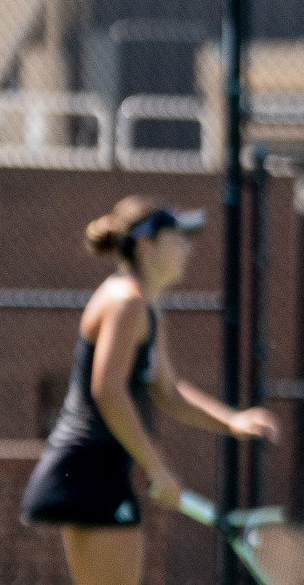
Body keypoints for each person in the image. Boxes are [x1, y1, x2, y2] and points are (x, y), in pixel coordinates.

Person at [20, 196, 280, 585]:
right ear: (146, 245)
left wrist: (233, 420)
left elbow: (168, 391)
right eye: (177, 239)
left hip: (95, 468)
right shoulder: (127, 303)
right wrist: (156, 466)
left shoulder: (146, 307)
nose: (187, 249)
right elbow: (107, 390)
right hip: (91, 467)